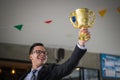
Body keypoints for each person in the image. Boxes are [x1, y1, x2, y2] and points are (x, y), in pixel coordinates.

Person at [19, 28, 90, 80]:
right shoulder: (23, 77)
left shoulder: (51, 71)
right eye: (38, 52)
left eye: (44, 52)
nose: (43, 54)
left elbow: (68, 65)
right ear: (31, 56)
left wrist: (81, 43)